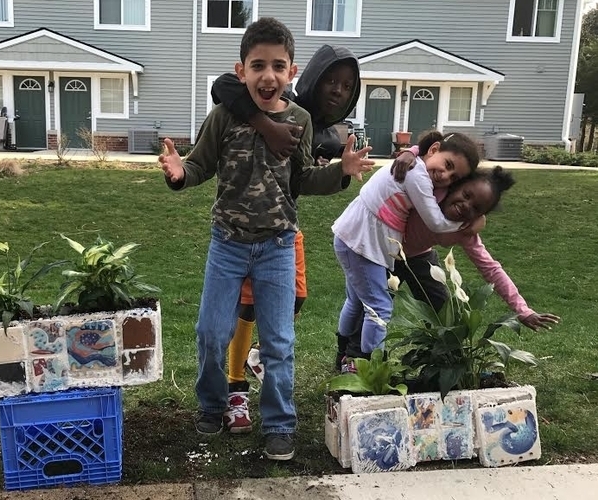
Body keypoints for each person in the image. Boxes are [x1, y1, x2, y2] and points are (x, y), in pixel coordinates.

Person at [159, 17, 352, 461]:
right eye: (258, 65)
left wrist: (340, 173)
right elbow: (199, 166)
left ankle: (280, 425)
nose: (268, 75)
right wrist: (178, 173)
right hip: (226, 244)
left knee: (279, 341)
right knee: (211, 332)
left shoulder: (300, 119)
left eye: (278, 66)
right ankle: (212, 405)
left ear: (292, 72)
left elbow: (302, 179)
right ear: (240, 70)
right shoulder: (224, 115)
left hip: (278, 247)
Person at [210, 44, 383, 434]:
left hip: (285, 229)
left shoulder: (315, 124)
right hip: (244, 230)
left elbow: (308, 170)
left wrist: (341, 163)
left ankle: (258, 356)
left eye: (346, 85)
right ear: (310, 77)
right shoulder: (280, 98)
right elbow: (223, 85)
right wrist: (266, 125)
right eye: (330, 80)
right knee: (248, 308)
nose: (337, 90)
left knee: (297, 297)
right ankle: (235, 385)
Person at [332, 131, 480, 366]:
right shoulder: (416, 175)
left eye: (454, 176)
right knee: (379, 307)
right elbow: (436, 222)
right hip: (362, 243)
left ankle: (344, 354)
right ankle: (368, 365)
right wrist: (468, 222)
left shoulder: (415, 165)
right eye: (448, 164)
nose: (446, 175)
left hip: (354, 237)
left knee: (357, 301)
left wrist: (412, 151)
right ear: (433, 149)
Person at [396, 166, 560, 330]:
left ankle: (441, 356)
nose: (467, 205)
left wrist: (523, 311)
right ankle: (369, 352)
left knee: (446, 322)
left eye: (476, 208)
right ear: (455, 186)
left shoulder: (464, 229)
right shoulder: (427, 193)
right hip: (381, 253)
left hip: (420, 258)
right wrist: (411, 153)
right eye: (466, 195)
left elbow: (491, 268)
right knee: (373, 311)